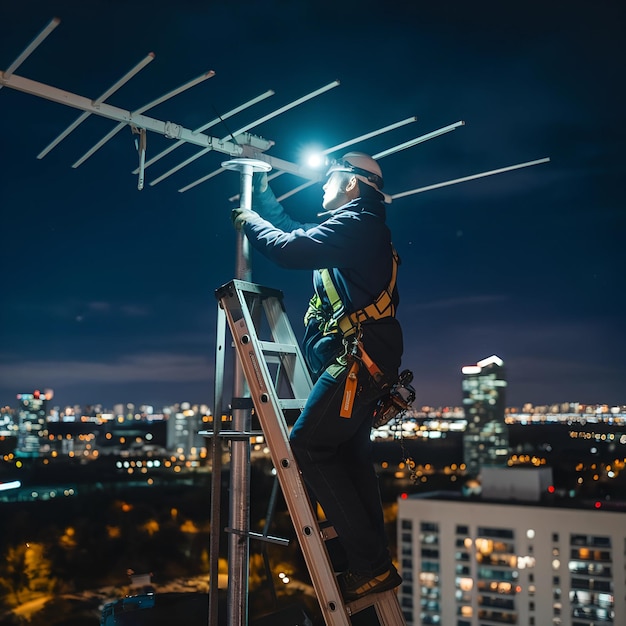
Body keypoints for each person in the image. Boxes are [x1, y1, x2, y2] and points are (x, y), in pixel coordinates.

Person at [232, 152, 403, 601]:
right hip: (362, 358)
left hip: (356, 360)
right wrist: (263, 194)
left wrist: (248, 220)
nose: (322, 186)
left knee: (307, 445)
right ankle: (373, 561)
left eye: (330, 180)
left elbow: (289, 250)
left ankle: (369, 563)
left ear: (352, 184)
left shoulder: (359, 225)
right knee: (351, 458)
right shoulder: (355, 227)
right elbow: (293, 233)